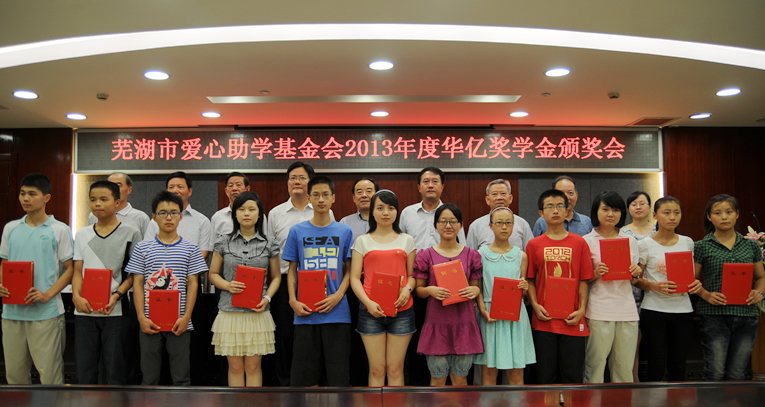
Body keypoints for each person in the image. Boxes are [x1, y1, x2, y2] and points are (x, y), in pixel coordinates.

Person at [126, 191, 208, 385]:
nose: (168, 217)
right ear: (154, 217)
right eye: (162, 213)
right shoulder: (142, 248)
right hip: (149, 320)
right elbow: (137, 283)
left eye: (173, 213)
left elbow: (194, 283)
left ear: (181, 216)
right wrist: (141, 317)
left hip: (179, 321)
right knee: (149, 377)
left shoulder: (191, 248)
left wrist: (186, 317)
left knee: (181, 377)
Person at [0, 173, 74, 385]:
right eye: (22, 193)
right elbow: (5, 263)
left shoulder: (59, 229)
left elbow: (71, 269)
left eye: (32, 194)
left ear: (46, 198)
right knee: (15, 376)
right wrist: (1, 284)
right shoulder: (11, 228)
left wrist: (47, 294)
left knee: (50, 376)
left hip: (46, 313)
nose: (26, 198)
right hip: (12, 312)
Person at [266, 161, 334, 386]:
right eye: (292, 178)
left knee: (315, 334)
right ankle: (287, 383)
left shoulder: (324, 210)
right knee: (286, 334)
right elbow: (271, 251)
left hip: (320, 281)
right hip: (286, 281)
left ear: (310, 183)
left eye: (302, 178)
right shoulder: (276, 213)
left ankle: (316, 382)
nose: (297, 181)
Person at [71, 181, 143, 384]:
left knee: (115, 371)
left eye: (103, 199)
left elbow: (135, 274)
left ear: (117, 202)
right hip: (84, 311)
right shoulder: (82, 234)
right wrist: (76, 296)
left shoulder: (131, 233)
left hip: (116, 311)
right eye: (93, 199)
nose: (97, 204)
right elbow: (77, 271)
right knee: (85, 371)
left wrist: (116, 295)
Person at [284, 176, 353, 387]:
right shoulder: (297, 231)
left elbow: (350, 270)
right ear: (309, 199)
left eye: (325, 195)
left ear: (333, 198)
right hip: (306, 312)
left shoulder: (344, 231)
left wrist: (338, 296)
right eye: (316, 195)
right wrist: (293, 301)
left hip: (337, 313)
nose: (321, 199)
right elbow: (291, 270)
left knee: (338, 375)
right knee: (303, 377)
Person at [399, 167, 465, 385]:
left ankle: (448, 388)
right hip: (417, 283)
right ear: (418, 186)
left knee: (447, 338)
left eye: (435, 181)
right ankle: (421, 388)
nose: (430, 185)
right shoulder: (407, 213)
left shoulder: (451, 214)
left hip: (448, 286)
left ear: (442, 186)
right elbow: (401, 246)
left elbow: (462, 251)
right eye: (426, 181)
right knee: (419, 338)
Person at [209, 191, 280, 387]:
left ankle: (253, 401)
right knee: (235, 368)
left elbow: (276, 277)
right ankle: (236, 401)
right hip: (229, 312)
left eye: (251, 209)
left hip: (257, 312)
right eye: (241, 209)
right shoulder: (223, 241)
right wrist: (227, 285)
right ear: (235, 214)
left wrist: (267, 298)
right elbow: (213, 274)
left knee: (253, 367)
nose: (246, 213)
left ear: (259, 214)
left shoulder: (270, 243)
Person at [693, 194, 765, 381]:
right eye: (717, 213)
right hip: (714, 315)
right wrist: (706, 294)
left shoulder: (751, 246)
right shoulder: (701, 246)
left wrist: (759, 292)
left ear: (737, 214)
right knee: (714, 373)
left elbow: (761, 277)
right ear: (709, 217)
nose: (724, 217)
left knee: (737, 374)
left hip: (746, 315)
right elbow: (691, 280)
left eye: (729, 212)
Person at [526, 189, 594, 384]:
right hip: (544, 319)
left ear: (567, 210)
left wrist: (581, 310)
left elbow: (583, 280)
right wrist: (535, 305)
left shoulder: (580, 243)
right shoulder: (533, 245)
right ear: (541, 213)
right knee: (545, 376)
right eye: (549, 207)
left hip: (572, 319)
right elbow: (530, 280)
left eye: (559, 206)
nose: (555, 211)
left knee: (572, 377)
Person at [349, 189, 416, 386]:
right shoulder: (362, 241)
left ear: (397, 211)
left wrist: (407, 290)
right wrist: (367, 302)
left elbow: (413, 276)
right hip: (370, 311)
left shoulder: (407, 240)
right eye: (380, 208)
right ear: (372, 211)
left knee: (395, 368)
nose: (386, 212)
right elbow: (354, 278)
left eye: (391, 208)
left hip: (402, 310)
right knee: (376, 369)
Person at [413, 203, 483, 386]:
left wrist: (475, 290)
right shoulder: (425, 255)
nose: (448, 226)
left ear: (461, 225)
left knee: (460, 378)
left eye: (453, 221)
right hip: (437, 322)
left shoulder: (472, 255)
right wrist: (430, 290)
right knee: (438, 378)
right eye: (443, 221)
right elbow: (419, 290)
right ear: (435, 225)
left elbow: (476, 287)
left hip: (464, 322)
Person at [635, 196, 701, 382]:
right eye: (667, 213)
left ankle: (676, 397)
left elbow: (691, 275)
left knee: (678, 365)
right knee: (655, 365)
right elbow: (635, 280)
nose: (672, 217)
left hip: (683, 310)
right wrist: (653, 286)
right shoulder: (644, 244)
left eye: (676, 213)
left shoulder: (687, 242)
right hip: (653, 310)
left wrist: (695, 283)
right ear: (655, 215)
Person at [582, 191, 641, 383]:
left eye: (615, 210)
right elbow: (581, 280)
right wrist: (595, 273)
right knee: (595, 365)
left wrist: (635, 273)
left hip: (627, 310)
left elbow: (634, 280)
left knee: (624, 369)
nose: (610, 214)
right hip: (599, 310)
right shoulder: (586, 241)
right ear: (596, 212)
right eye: (605, 209)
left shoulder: (630, 241)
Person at [474, 207, 535, 385]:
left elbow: (523, 288)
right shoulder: (481, 254)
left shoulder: (521, 256)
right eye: (499, 223)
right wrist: (483, 310)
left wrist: (524, 287)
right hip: (490, 315)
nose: (504, 227)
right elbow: (477, 287)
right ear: (490, 226)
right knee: (488, 373)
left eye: (508, 223)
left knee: (516, 373)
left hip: (515, 317)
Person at [622, 190, 655, 382]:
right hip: (631, 290)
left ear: (650, 207)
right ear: (628, 209)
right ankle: (633, 378)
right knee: (633, 339)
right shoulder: (623, 233)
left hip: (656, 291)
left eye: (642, 203)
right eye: (634, 204)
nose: (638, 207)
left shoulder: (659, 230)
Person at [144, 171, 212, 261]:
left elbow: (204, 253)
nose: (175, 191)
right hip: (159, 268)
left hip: (191, 268)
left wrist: (179, 265)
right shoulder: (157, 219)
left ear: (190, 191)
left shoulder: (202, 221)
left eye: (180, 187)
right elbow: (147, 250)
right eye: (171, 187)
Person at [466, 179, 534, 252]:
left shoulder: (522, 224)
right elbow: (470, 256)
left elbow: (530, 253)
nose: (499, 198)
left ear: (510, 198)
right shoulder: (476, 226)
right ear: (487, 200)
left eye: (503, 193)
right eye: (494, 194)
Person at [211, 172, 253, 239]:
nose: (234, 189)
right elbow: (213, 244)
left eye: (238, 185)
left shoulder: (257, 215)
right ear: (226, 191)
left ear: (247, 189)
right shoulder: (217, 217)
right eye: (230, 185)